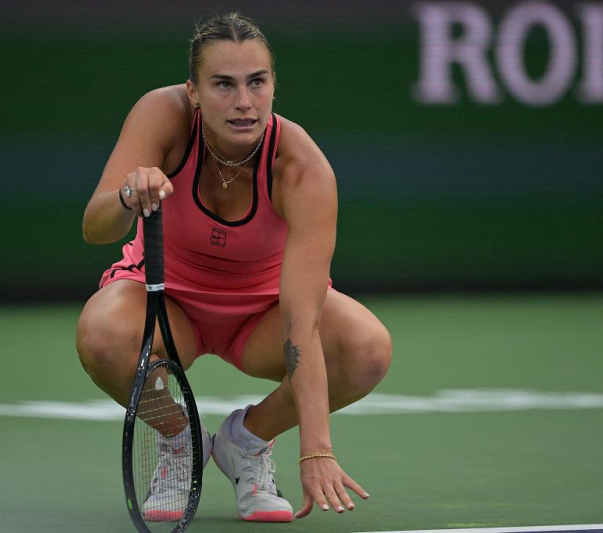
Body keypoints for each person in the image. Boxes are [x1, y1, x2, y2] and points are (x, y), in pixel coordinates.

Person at [76, 12, 392, 522]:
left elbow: (301, 321)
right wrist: (128, 195)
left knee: (366, 349)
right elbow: (96, 227)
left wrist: (316, 448)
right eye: (223, 84)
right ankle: (182, 440)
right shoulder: (163, 115)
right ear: (194, 92)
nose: (244, 101)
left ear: (273, 86)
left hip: (263, 316)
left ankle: (245, 442)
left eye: (256, 83)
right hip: (167, 302)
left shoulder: (302, 169)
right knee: (101, 335)